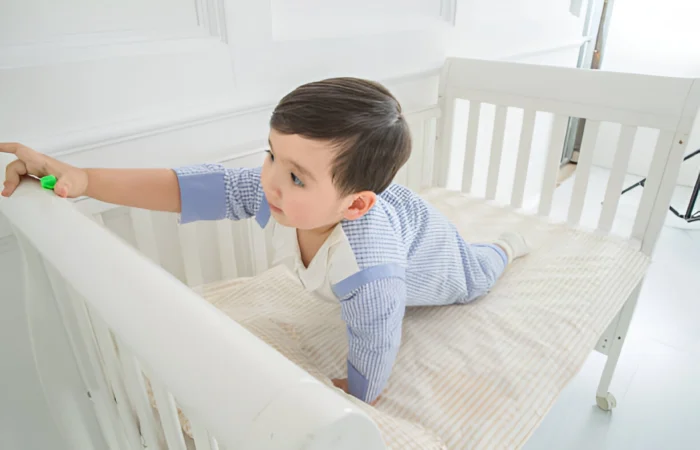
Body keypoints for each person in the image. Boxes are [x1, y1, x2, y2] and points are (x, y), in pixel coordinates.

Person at [0, 77, 530, 405]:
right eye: (271, 153)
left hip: (435, 259)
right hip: (399, 215)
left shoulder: (370, 270)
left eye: (297, 175)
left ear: (354, 204)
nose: (271, 180)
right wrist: (85, 179)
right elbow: (191, 187)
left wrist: (363, 390)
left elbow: (378, 334)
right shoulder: (283, 192)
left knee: (479, 270)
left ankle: (509, 243)